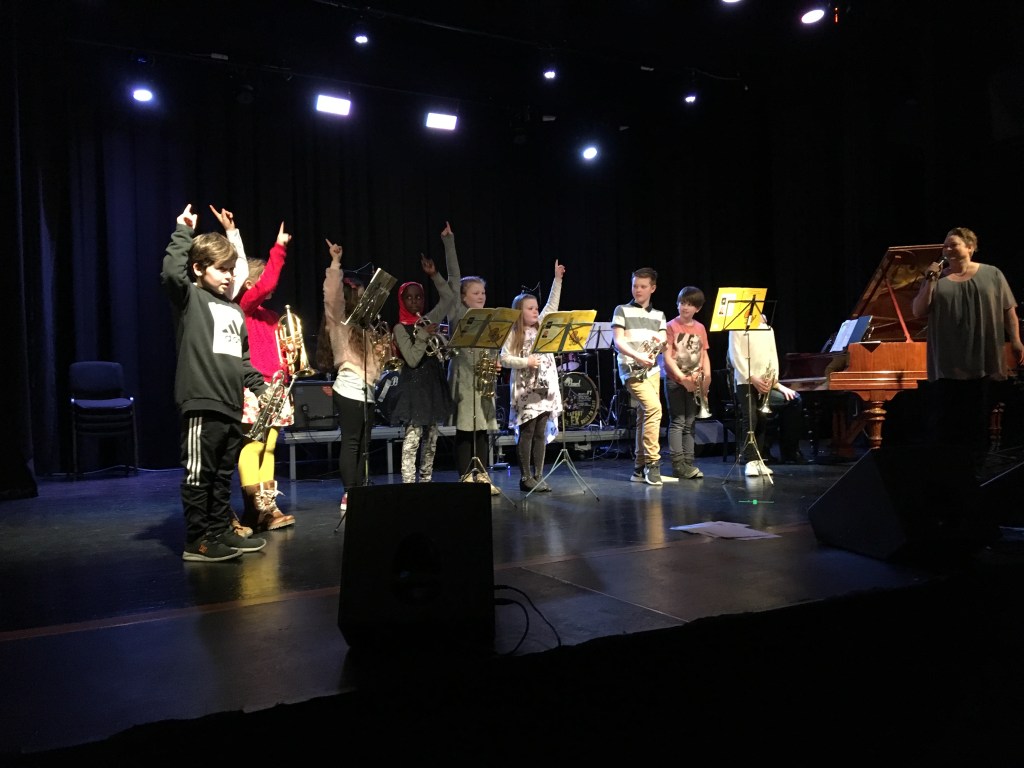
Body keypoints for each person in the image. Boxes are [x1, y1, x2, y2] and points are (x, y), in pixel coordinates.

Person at [161, 204, 268, 562]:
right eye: (221, 269)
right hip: (201, 402)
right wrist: (183, 231)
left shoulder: (234, 310)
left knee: (222, 476)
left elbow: (242, 361)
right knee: (199, 475)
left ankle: (221, 531)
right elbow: (171, 273)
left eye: (231, 270)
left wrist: (260, 387)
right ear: (198, 268)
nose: (228, 276)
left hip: (230, 406)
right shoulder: (190, 298)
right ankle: (197, 540)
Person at [208, 206, 298, 534]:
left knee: (270, 446)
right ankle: (256, 509)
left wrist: (290, 358)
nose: (269, 286)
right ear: (249, 283)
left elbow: (279, 353)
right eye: (261, 283)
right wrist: (279, 248)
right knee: (252, 445)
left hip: (276, 387)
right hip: (252, 387)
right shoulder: (242, 307)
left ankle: (266, 506)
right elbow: (266, 281)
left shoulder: (271, 317)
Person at [911, 227, 1024, 463]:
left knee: (978, 413)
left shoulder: (992, 274)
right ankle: (951, 465)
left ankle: (977, 462)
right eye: (945, 245)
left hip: (982, 352)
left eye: (953, 244)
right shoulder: (937, 278)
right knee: (948, 416)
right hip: (948, 356)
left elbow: (1008, 310)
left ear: (970, 247)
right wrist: (930, 280)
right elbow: (918, 311)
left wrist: (1016, 340)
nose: (947, 249)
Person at [427, 221, 500, 495]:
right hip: (463, 376)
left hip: (483, 377)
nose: (481, 296)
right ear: (463, 297)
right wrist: (449, 242)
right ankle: (466, 475)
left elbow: (493, 345)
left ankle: (482, 475)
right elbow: (454, 276)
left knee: (482, 428)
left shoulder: (488, 316)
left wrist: (496, 360)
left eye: (483, 292)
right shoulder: (457, 312)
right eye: (476, 293)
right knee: (466, 428)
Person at [323, 238, 382, 514]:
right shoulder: (339, 321)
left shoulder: (365, 326)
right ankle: (349, 493)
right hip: (348, 388)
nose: (362, 298)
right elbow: (331, 296)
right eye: (358, 293)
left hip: (367, 390)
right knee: (351, 442)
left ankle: (360, 490)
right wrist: (336, 263)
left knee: (364, 445)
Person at [499, 260, 566, 492]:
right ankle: (525, 477)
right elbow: (504, 358)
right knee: (527, 431)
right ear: (519, 311)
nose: (536, 311)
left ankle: (538, 475)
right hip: (526, 389)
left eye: (536, 307)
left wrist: (557, 279)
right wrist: (525, 362)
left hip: (546, 386)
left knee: (540, 431)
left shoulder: (542, 327)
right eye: (530, 308)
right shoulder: (513, 332)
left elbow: (552, 304)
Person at [389, 257, 456, 484]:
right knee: (413, 438)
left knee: (432, 438)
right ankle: (409, 483)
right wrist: (423, 335)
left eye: (418, 297)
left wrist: (434, 275)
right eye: (409, 298)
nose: (414, 302)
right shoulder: (400, 328)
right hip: (413, 388)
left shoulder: (428, 319)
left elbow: (448, 298)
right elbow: (412, 359)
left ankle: (426, 480)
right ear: (401, 300)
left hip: (432, 384)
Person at [727, 315, 805, 477]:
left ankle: (759, 460)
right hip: (745, 381)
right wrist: (752, 377)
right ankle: (750, 460)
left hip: (764, 381)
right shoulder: (736, 329)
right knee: (751, 417)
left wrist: (773, 379)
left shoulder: (767, 329)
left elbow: (772, 356)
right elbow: (736, 357)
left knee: (762, 418)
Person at [612, 267, 668, 485]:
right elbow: (618, 341)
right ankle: (653, 463)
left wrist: (661, 345)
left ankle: (638, 469)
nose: (638, 290)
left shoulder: (659, 315)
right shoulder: (622, 310)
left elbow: (663, 342)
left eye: (643, 286)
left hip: (652, 371)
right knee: (654, 409)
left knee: (644, 415)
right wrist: (638, 356)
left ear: (652, 288)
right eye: (635, 285)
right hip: (631, 370)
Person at [662, 286, 711, 480]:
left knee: (690, 422)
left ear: (697, 308)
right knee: (678, 421)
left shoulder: (700, 328)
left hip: (694, 381)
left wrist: (707, 378)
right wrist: (682, 379)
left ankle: (688, 463)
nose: (685, 307)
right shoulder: (670, 326)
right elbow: (667, 358)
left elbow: (704, 354)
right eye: (682, 303)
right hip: (676, 381)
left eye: (690, 304)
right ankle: (678, 464)